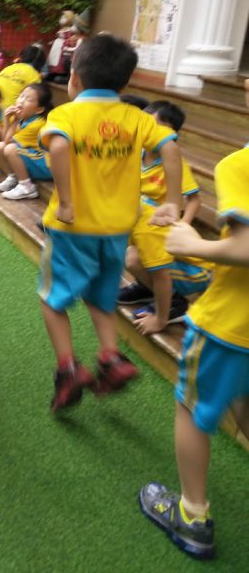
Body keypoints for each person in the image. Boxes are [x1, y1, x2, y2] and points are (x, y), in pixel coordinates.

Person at [37, 33, 182, 412]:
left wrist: (67, 201)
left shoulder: (65, 114)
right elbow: (170, 146)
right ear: (125, 81)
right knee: (100, 297)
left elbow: (58, 146)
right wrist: (173, 200)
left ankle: (68, 369)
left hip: (72, 230)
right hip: (117, 229)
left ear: (74, 76)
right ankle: (110, 356)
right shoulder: (137, 117)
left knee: (52, 299)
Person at [138, 140, 249, 561]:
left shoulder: (240, 164)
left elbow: (245, 247)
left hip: (231, 325)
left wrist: (191, 244)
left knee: (191, 406)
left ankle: (192, 516)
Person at [119, 100, 210, 335]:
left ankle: (173, 303)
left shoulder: (172, 161)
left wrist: (181, 228)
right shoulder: (135, 155)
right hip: (145, 222)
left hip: (162, 230)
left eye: (153, 124)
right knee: (130, 255)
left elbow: (194, 199)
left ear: (169, 132)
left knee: (139, 260)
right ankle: (147, 288)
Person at [0, 82, 54, 200]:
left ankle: (27, 187)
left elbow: (8, 142)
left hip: (45, 166)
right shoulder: (24, 119)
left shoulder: (37, 124)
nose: (21, 101)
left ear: (39, 109)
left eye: (28, 99)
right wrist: (7, 119)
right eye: (21, 96)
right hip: (33, 159)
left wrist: (14, 119)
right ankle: (14, 177)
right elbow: (4, 141)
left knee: (10, 149)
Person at [0, 44, 45, 110]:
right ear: (41, 63)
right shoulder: (34, 75)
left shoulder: (8, 68)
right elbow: (38, 98)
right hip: (12, 111)